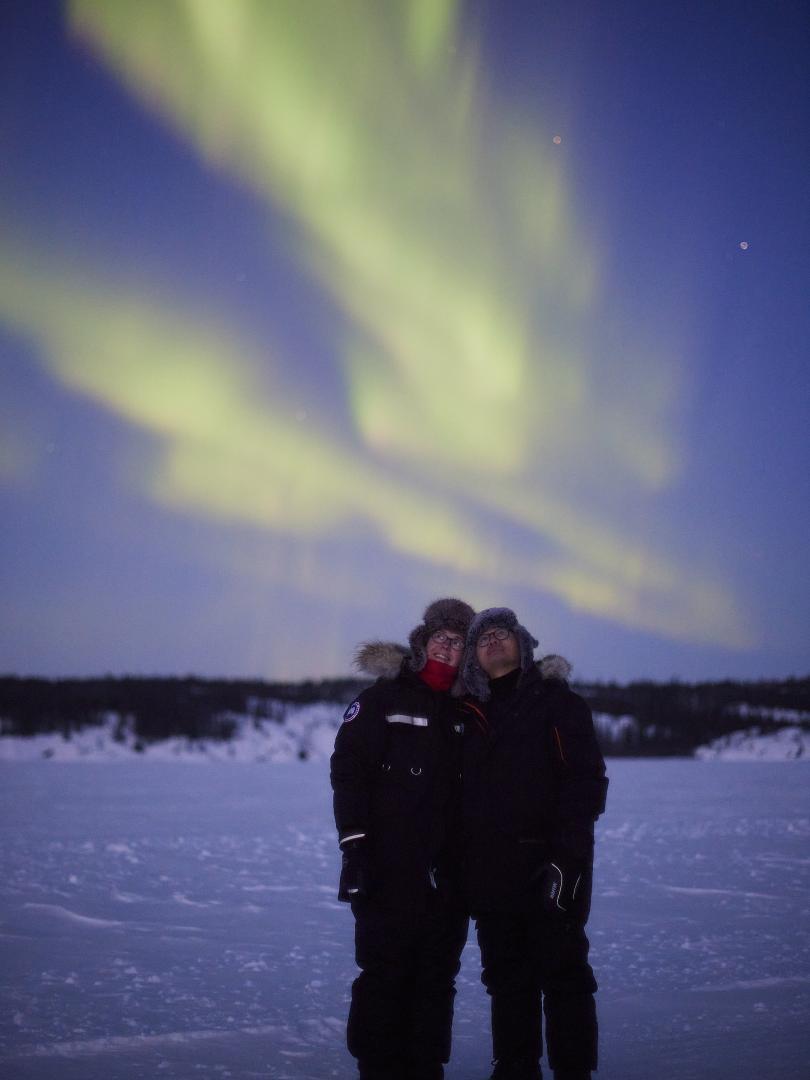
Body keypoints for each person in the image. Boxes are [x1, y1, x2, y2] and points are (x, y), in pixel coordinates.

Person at [458, 607, 608, 1080]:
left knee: (564, 977)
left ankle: (574, 1071)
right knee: (507, 981)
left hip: (552, 865)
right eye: (483, 637)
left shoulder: (557, 702)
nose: (494, 640)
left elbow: (585, 782)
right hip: (492, 872)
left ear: (523, 644)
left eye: (503, 633)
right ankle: (515, 1068)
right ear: (473, 659)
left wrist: (568, 859)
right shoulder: (466, 712)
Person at [330, 598, 475, 1080]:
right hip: (387, 871)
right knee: (384, 977)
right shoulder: (383, 698)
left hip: (448, 880)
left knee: (436, 981)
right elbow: (348, 773)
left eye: (459, 641)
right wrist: (355, 849)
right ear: (422, 641)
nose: (448, 646)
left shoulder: (469, 710)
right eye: (441, 637)